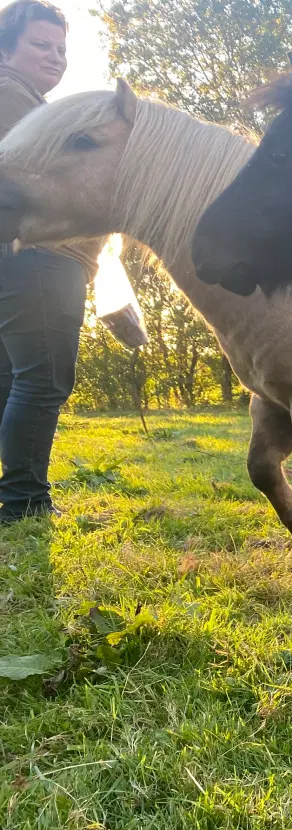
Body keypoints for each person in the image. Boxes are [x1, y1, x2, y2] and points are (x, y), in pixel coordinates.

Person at [0, 0, 100, 523]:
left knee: (14, 377)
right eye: (41, 45)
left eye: (61, 48)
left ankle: (15, 495)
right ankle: (24, 501)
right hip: (41, 254)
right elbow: (44, 177)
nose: (56, 57)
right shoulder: (10, 96)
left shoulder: (26, 99)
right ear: (6, 47)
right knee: (43, 378)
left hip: (20, 256)